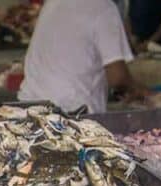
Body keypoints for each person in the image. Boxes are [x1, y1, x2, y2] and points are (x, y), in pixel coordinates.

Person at [18, 0, 147, 114]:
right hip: (70, 113)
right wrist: (147, 94)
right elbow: (118, 78)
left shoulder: (54, 2)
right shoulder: (104, 8)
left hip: (28, 107)